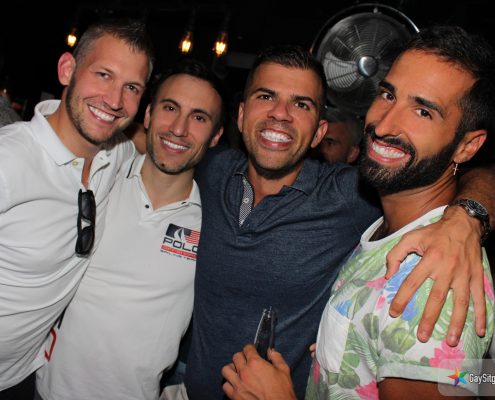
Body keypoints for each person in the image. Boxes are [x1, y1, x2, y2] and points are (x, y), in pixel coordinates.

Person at [184, 44, 495, 400]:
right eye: (387, 95)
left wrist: (467, 217)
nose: (385, 125)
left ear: (320, 132)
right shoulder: (213, 171)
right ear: (240, 116)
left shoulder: (432, 272)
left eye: (423, 111)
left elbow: (478, 380)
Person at [35, 59, 224, 400]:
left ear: (216, 137)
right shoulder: (98, 179)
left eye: (199, 118)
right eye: (170, 108)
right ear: (148, 115)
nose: (179, 129)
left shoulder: (213, 224)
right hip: (46, 390)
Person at [0, 18, 153, 399]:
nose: (115, 100)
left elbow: (159, 142)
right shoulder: (9, 160)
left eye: (131, 88)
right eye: (103, 74)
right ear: (67, 69)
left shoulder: (114, 154)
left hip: (23, 375)